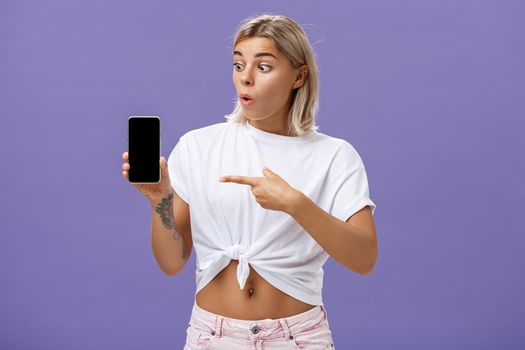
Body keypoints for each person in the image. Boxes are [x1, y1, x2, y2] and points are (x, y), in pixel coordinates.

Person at [121, 14, 377, 350]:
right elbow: (172, 262)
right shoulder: (199, 146)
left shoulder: (334, 156)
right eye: (239, 65)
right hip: (212, 338)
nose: (246, 79)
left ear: (299, 76)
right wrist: (161, 202)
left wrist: (295, 204)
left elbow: (364, 258)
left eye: (264, 67)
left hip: (298, 338)